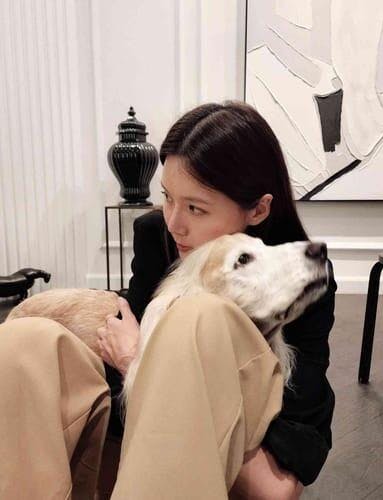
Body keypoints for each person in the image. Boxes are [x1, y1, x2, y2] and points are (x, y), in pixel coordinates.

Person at [99, 101, 337, 499]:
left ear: (258, 209)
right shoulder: (158, 237)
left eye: (195, 208)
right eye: (168, 197)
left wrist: (136, 363)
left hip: (233, 467)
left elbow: (275, 489)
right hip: (147, 449)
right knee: (29, 345)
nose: (174, 223)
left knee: (199, 315)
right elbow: (123, 415)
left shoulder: (303, 280)